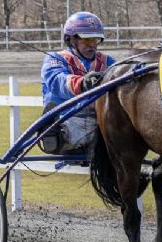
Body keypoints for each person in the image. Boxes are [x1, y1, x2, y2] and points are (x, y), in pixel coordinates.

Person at [39, 11, 115, 153]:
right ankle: (52, 131)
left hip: (99, 121)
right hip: (69, 118)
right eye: (86, 40)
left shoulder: (107, 61)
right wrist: (82, 83)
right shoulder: (56, 59)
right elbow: (57, 80)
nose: (92, 45)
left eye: (95, 40)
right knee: (71, 130)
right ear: (70, 40)